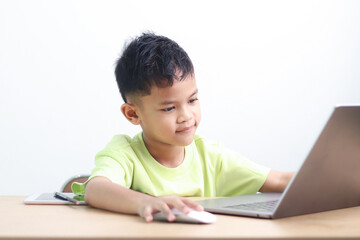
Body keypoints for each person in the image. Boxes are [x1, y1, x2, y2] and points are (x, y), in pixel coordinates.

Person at [72, 32, 294, 222]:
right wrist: (148, 203)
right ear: (133, 114)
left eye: (192, 100)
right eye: (169, 108)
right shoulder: (125, 153)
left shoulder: (211, 156)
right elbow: (96, 189)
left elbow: (279, 180)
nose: (186, 116)